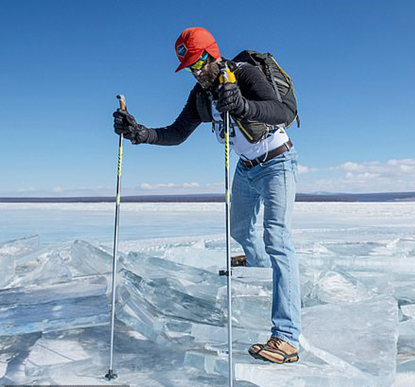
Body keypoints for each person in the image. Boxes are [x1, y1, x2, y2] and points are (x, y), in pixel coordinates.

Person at [113, 27, 301, 364]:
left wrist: (243, 105)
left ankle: (286, 337)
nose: (196, 71)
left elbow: (281, 113)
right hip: (246, 168)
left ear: (212, 53)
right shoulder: (202, 96)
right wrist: (138, 133)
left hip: (277, 161)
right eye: (189, 66)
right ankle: (258, 268)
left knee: (278, 239)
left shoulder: (245, 75)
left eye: (199, 62)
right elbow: (176, 133)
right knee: (240, 230)